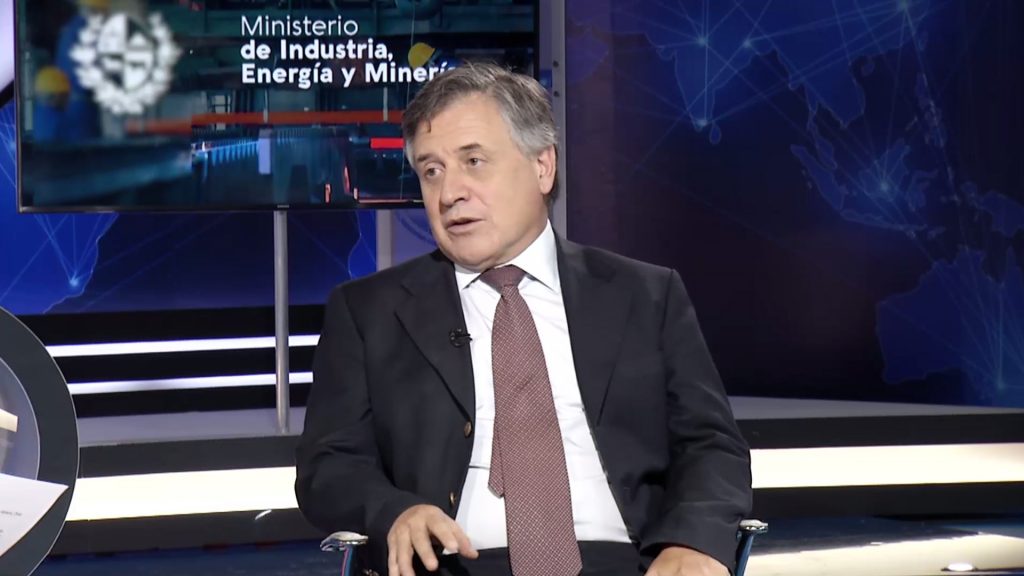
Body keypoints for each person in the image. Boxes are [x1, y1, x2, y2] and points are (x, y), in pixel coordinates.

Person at [296, 62, 752, 576]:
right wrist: (393, 511)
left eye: (473, 161)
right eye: (431, 171)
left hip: (626, 560)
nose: (449, 193)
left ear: (542, 167)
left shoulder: (645, 294)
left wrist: (692, 541)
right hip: (454, 562)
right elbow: (327, 466)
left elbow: (711, 443)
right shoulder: (368, 312)